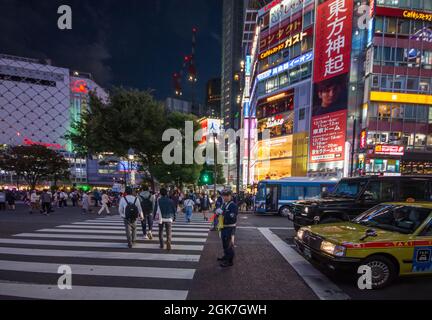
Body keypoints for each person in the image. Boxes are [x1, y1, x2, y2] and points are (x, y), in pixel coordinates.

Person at [216, 189, 238, 268]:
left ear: (230, 196)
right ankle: (226, 256)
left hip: (230, 227)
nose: (225, 197)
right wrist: (217, 213)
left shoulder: (233, 205)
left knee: (229, 245)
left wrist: (222, 213)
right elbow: (220, 214)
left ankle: (229, 261)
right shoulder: (224, 204)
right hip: (223, 227)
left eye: (227, 196)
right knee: (224, 243)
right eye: (224, 196)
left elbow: (232, 217)